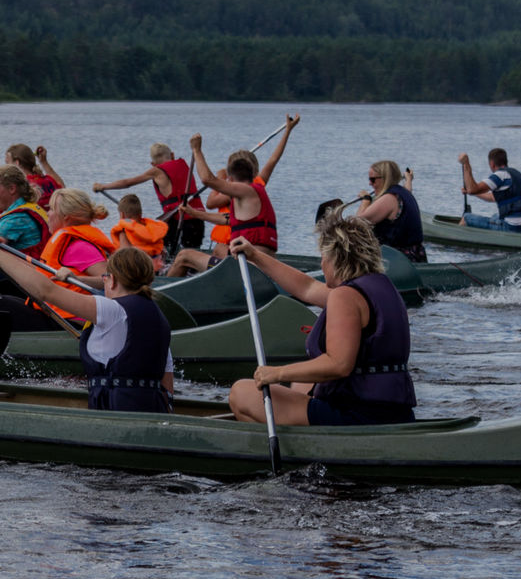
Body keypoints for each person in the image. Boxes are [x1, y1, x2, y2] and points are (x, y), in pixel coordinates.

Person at [224, 213, 415, 427]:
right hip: (394, 411)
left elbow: (338, 364)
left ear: (336, 257)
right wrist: (255, 255)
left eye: (323, 257)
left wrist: (276, 373)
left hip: (358, 415)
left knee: (241, 393)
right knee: (301, 383)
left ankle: (301, 451)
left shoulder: (346, 297)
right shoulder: (380, 287)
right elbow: (306, 287)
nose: (322, 264)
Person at [0, 241, 174, 413]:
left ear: (112, 280)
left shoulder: (111, 310)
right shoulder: (160, 320)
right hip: (152, 413)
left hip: (115, 417)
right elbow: (167, 388)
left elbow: (46, 291)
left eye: (105, 278)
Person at [164, 135, 278, 276]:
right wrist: (194, 213)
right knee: (213, 254)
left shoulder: (246, 190)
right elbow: (227, 219)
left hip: (248, 270)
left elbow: (207, 179)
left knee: (184, 256)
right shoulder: (252, 196)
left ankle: (162, 294)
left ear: (230, 179)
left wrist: (196, 150)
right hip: (252, 266)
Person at [94, 143, 202, 258]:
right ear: (172, 155)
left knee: (167, 254)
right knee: (192, 253)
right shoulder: (184, 165)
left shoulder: (156, 171)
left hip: (176, 221)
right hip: (198, 219)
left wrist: (103, 186)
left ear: (153, 164)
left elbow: (128, 183)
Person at [353, 160, 425, 262]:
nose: (370, 183)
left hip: (397, 261)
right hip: (415, 255)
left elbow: (357, 223)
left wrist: (366, 200)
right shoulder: (405, 193)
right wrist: (408, 179)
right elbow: (408, 189)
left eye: (372, 180)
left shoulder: (389, 198)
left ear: (385, 178)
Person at [42, 188, 117, 279]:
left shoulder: (79, 247)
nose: (47, 213)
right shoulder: (69, 243)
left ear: (65, 216)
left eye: (51, 209)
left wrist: (77, 279)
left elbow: (109, 278)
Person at [458, 148, 521, 231]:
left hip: (514, 227)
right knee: (495, 216)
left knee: (467, 217)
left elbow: (473, 189)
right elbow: (493, 197)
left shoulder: (500, 175)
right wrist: (472, 192)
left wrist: (466, 163)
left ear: (492, 164)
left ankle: (456, 239)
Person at [110, 193, 168, 260]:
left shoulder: (124, 232)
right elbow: (163, 251)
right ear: (140, 213)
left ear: (122, 215)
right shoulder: (153, 230)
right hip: (157, 262)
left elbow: (125, 256)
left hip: (140, 266)